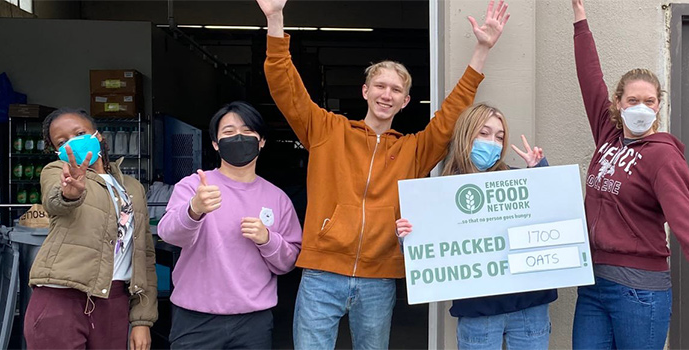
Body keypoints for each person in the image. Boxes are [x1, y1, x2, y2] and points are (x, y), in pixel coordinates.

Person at [256, 0, 510, 347]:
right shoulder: (327, 130)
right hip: (322, 274)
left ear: (406, 101)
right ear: (365, 91)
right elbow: (286, 88)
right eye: (380, 86)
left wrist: (481, 50)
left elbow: (453, 114)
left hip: (379, 278)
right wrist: (275, 19)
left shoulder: (414, 150)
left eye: (396, 90)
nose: (386, 94)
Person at [569, 1, 689, 348]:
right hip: (594, 283)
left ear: (658, 106)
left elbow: (686, 222)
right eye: (633, 100)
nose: (641, 108)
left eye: (650, 101)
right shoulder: (607, 136)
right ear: (618, 104)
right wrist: (580, 21)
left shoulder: (663, 157)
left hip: (639, 291)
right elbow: (590, 79)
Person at [395, 104, 552, 350]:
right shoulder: (437, 193)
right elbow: (426, 256)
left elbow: (552, 216)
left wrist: (539, 174)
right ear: (466, 136)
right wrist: (407, 236)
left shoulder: (518, 182)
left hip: (528, 308)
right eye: (484, 133)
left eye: (499, 137)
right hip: (479, 312)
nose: (492, 142)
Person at [157, 102, 303, 349]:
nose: (238, 137)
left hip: (252, 322)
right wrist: (194, 209)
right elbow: (169, 234)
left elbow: (288, 262)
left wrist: (268, 239)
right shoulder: (194, 187)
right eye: (228, 132)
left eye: (247, 131)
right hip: (195, 318)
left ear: (262, 141)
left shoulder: (277, 198)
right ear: (215, 143)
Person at [25, 108, 157, 350]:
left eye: (80, 133)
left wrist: (142, 320)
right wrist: (70, 193)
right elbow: (54, 201)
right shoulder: (56, 172)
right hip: (61, 296)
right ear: (57, 151)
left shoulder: (133, 187)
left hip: (113, 300)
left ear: (99, 136)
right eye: (62, 141)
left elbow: (144, 254)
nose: (73, 142)